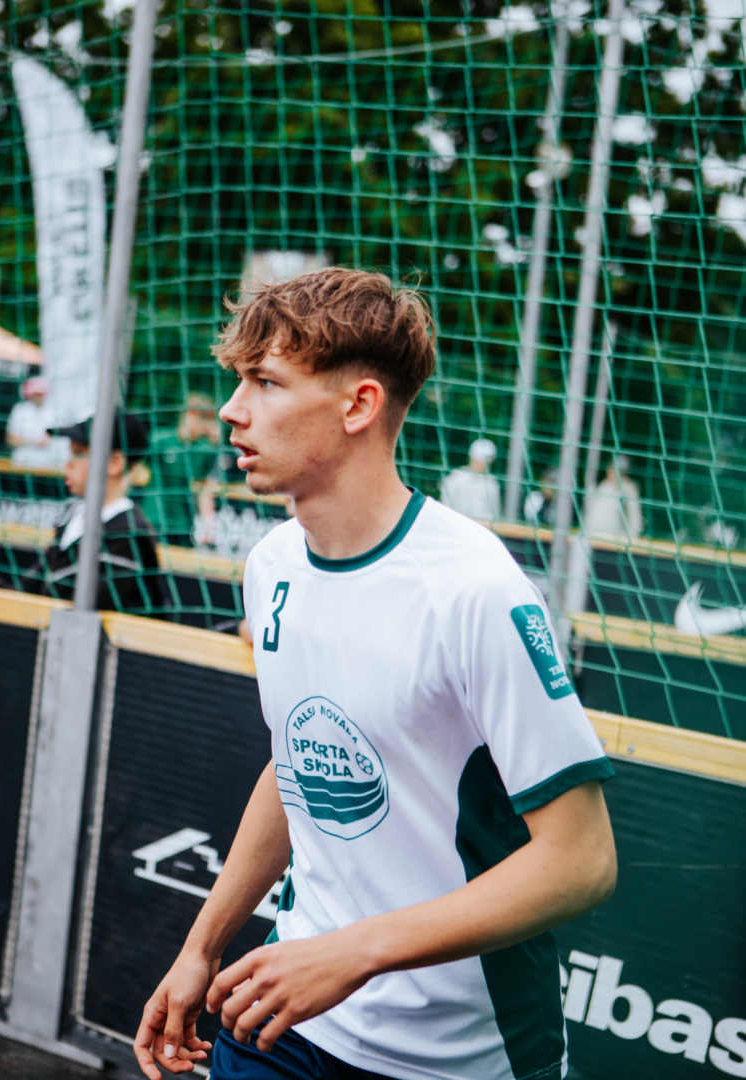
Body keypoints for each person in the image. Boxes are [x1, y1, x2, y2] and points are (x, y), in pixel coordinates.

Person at [133, 268, 617, 1080]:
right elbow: (295, 764)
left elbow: (582, 861)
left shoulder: (474, 589)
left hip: (457, 1057)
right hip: (286, 1022)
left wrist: (354, 953)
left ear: (358, 405)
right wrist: (200, 948)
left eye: (264, 382)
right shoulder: (272, 563)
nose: (231, 410)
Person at [0, 410, 169, 615]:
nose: (67, 464)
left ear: (114, 464)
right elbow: (33, 588)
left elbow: (82, 613)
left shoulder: (127, 533)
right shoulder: (74, 517)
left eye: (79, 453)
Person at [142, 393, 220, 545]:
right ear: (187, 414)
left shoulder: (205, 450)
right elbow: (135, 471)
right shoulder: (160, 440)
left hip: (182, 524)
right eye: (200, 417)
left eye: (206, 418)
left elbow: (205, 489)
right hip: (153, 519)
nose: (202, 423)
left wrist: (208, 526)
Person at [6, 375, 69, 468]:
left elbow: (53, 439)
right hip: (22, 462)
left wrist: (25, 441)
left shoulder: (54, 412)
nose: (38, 397)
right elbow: (11, 439)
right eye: (35, 393)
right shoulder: (20, 410)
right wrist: (36, 442)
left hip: (48, 464)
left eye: (41, 393)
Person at [440, 437, 502, 522]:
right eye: (478, 458)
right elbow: (445, 505)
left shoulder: (492, 483)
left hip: (480, 527)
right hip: (455, 523)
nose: (481, 462)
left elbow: (494, 513)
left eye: (485, 459)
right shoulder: (456, 477)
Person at [583, 454, 643, 540]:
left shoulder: (629, 490)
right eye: (612, 469)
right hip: (592, 535)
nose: (612, 473)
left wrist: (632, 538)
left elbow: (635, 518)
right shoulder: (603, 486)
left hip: (613, 539)